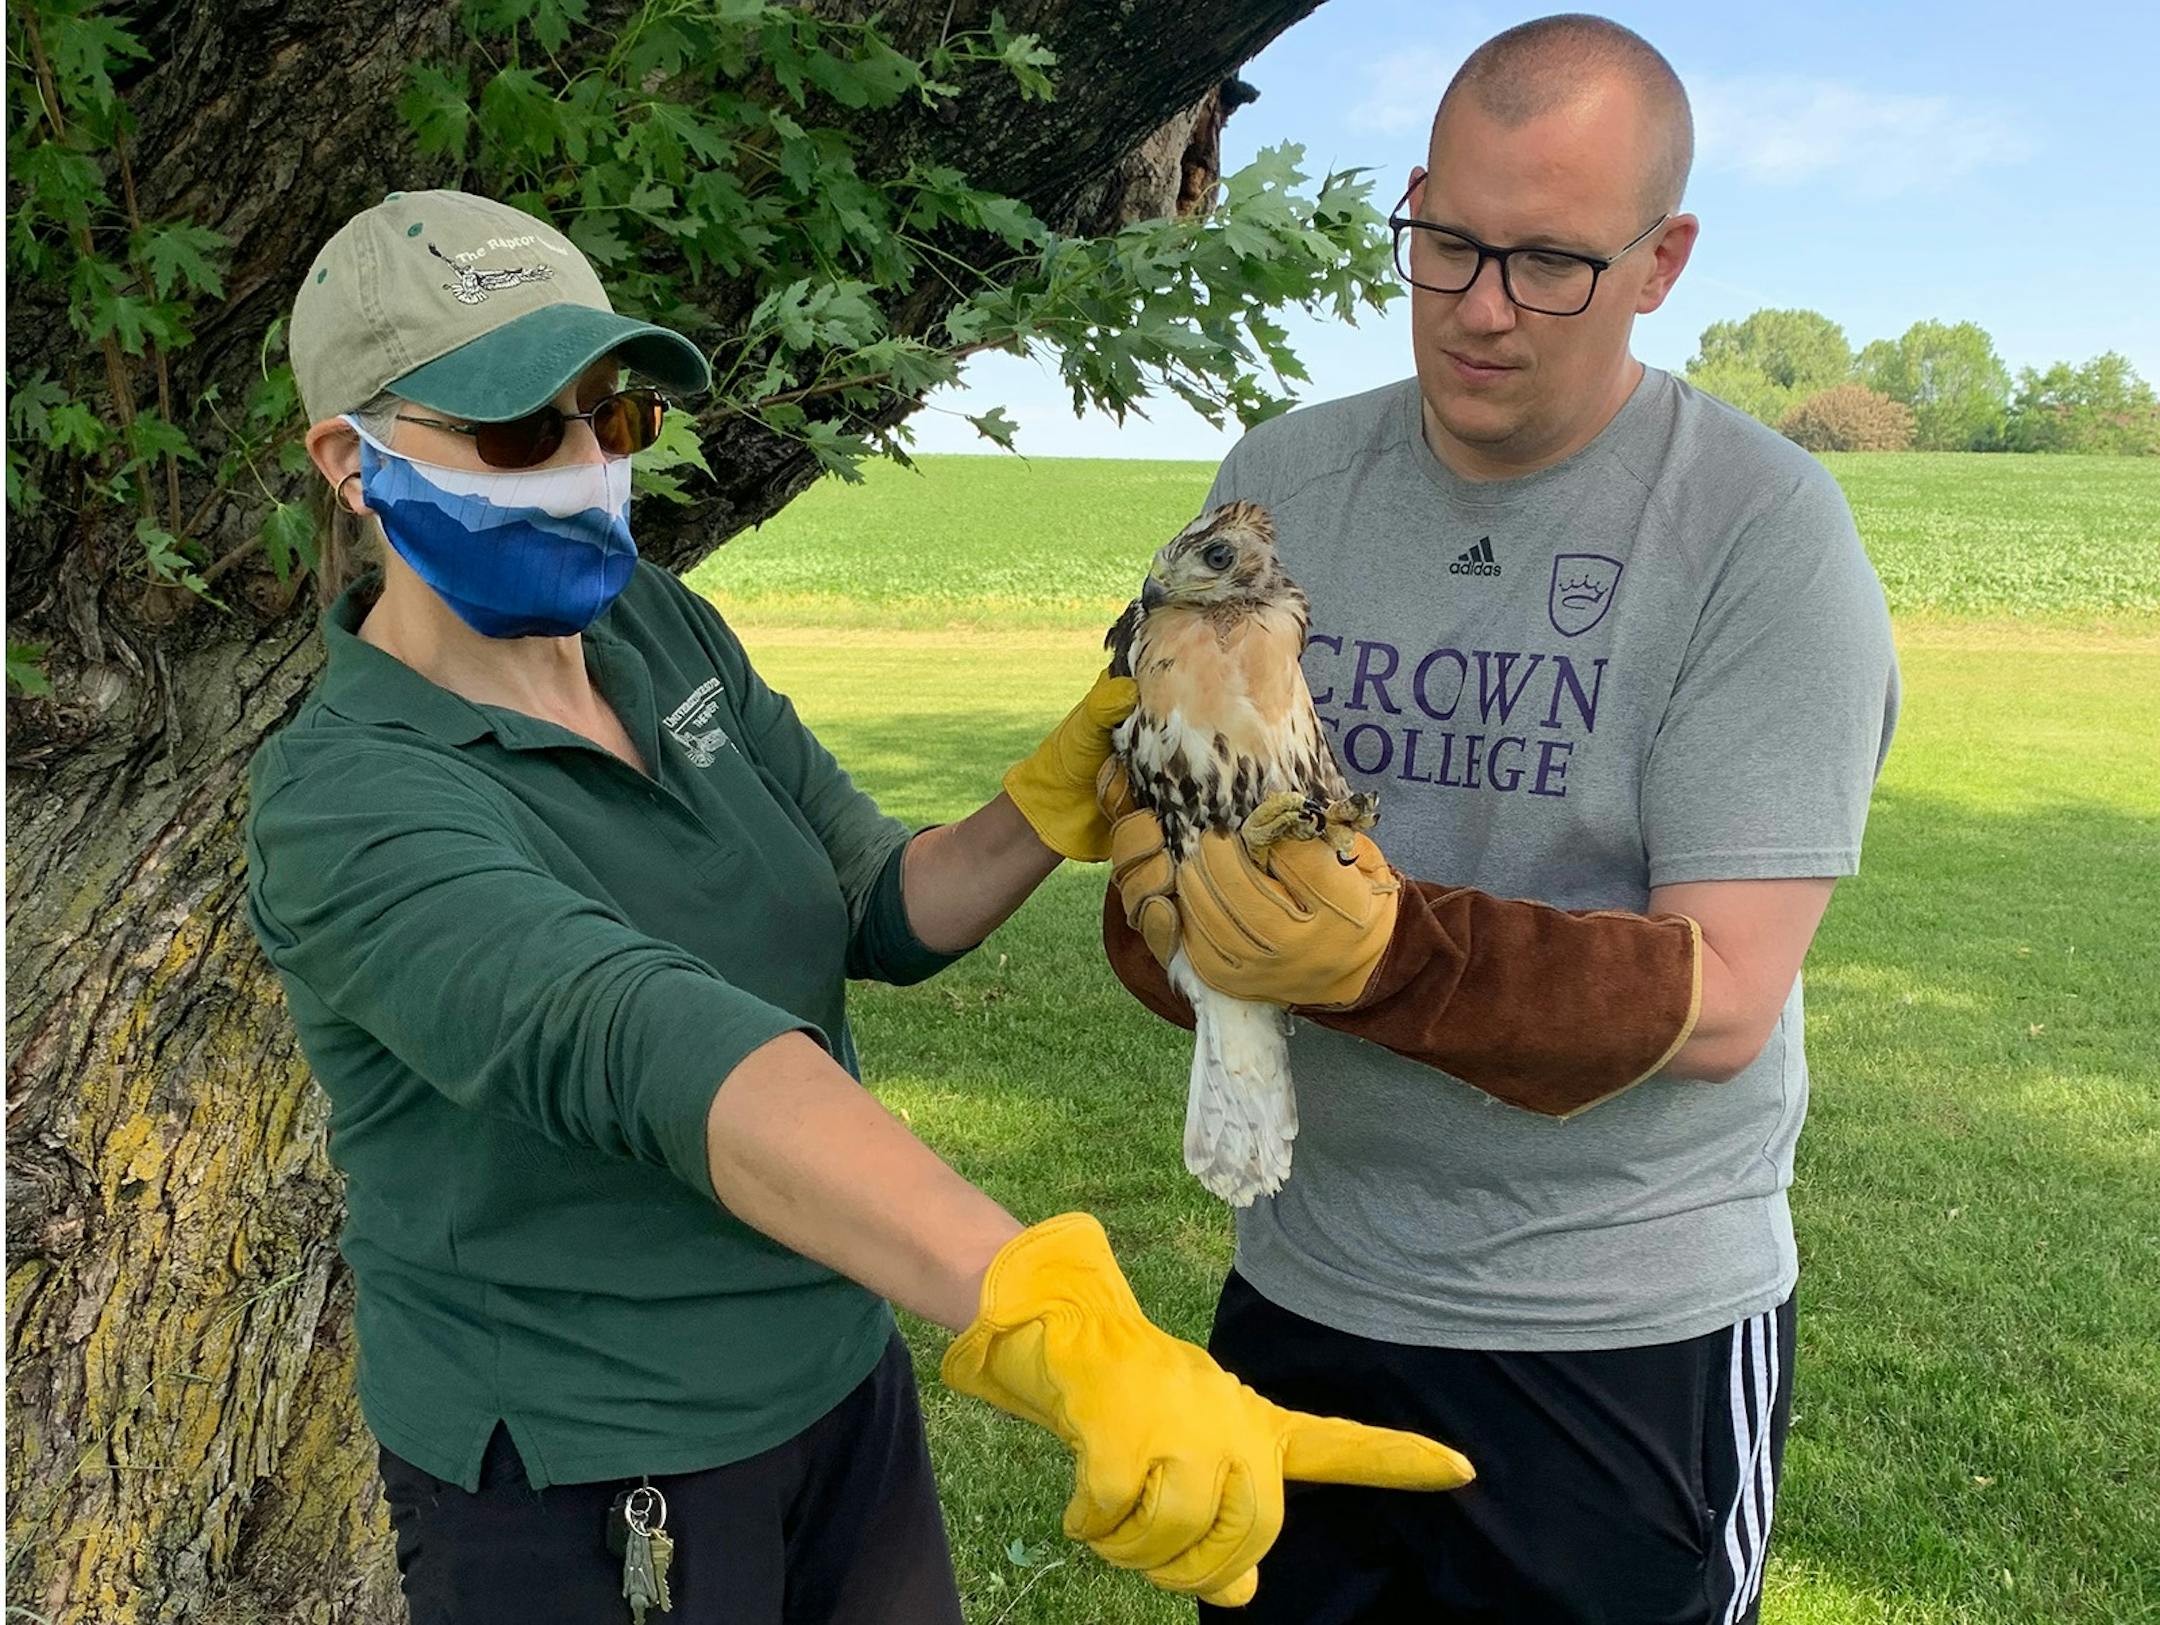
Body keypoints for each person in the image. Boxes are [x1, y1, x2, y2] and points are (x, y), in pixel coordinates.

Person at [244, 189, 1475, 1625]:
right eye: (524, 431)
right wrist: (1046, 1308)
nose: (587, 466)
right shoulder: (347, 800)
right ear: (353, 459)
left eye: (614, 417)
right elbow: (644, 1039)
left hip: (839, 1382)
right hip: (593, 1476)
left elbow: (875, 904)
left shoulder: (653, 629)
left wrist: (1059, 784)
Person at [1102, 15, 1900, 1624]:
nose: (1478, 306)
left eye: (1550, 264)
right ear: (1410, 201)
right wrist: (1172, 916)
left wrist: (1382, 950)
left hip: (1616, 1326)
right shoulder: (1283, 480)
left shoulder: (1760, 530)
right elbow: (1177, 794)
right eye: (1448, 241)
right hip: (1307, 1285)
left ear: (1663, 260)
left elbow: (1726, 995)